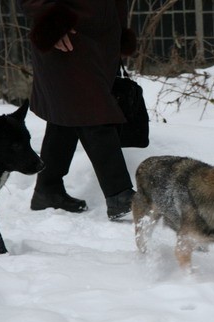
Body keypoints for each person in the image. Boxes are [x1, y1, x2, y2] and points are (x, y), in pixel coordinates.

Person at [19, 0, 138, 220]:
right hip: (65, 37)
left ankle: (48, 189)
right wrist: (52, 24)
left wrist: (119, 31)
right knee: (93, 110)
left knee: (68, 111)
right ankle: (119, 195)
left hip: (98, 40)